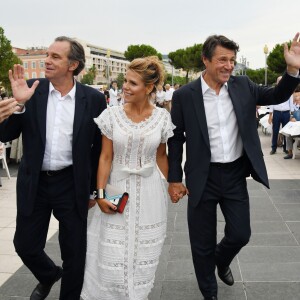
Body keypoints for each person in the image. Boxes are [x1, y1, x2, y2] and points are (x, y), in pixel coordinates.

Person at [167, 33, 300, 300]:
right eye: (222, 60)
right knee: (200, 242)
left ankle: (220, 258)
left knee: (241, 233)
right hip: (201, 176)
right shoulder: (185, 95)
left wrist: (292, 69)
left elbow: (276, 94)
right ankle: (210, 293)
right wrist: (174, 178)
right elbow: (176, 137)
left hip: (235, 174)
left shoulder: (243, 86)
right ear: (205, 60)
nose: (229, 66)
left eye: (232, 60)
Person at [0, 36, 107, 300]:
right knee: (24, 245)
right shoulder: (30, 90)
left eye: (55, 57)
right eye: (47, 55)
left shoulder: (92, 99)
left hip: (71, 183)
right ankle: (49, 275)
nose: (47, 60)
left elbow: (98, 149)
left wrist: (94, 190)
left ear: (73, 65)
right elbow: (5, 135)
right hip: (35, 183)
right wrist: (19, 105)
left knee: (74, 253)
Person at [81, 56, 174, 300]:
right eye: (125, 80)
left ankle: (137, 295)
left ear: (149, 88)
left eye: (132, 83)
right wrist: (99, 194)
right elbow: (105, 157)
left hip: (151, 191)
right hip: (117, 187)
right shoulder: (111, 115)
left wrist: (175, 182)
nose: (125, 86)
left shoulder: (162, 119)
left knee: (144, 252)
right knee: (112, 249)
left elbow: (162, 156)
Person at [268, 76, 294, 155]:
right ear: (277, 82)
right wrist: (270, 115)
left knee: (286, 132)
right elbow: (271, 103)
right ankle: (273, 148)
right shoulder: (274, 91)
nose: (280, 82)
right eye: (279, 81)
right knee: (275, 130)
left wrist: (291, 115)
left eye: (281, 81)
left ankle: (285, 149)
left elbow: (291, 104)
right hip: (277, 113)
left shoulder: (289, 91)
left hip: (286, 113)